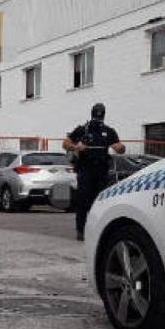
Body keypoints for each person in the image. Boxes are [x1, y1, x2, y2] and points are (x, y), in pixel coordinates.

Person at [64, 103, 125, 241]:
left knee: (101, 201)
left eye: (100, 113)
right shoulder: (82, 129)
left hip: (102, 171)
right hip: (85, 170)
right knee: (83, 201)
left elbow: (120, 147)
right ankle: (81, 231)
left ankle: (98, 229)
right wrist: (75, 147)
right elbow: (65, 143)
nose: (98, 116)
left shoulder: (109, 131)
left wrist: (119, 147)